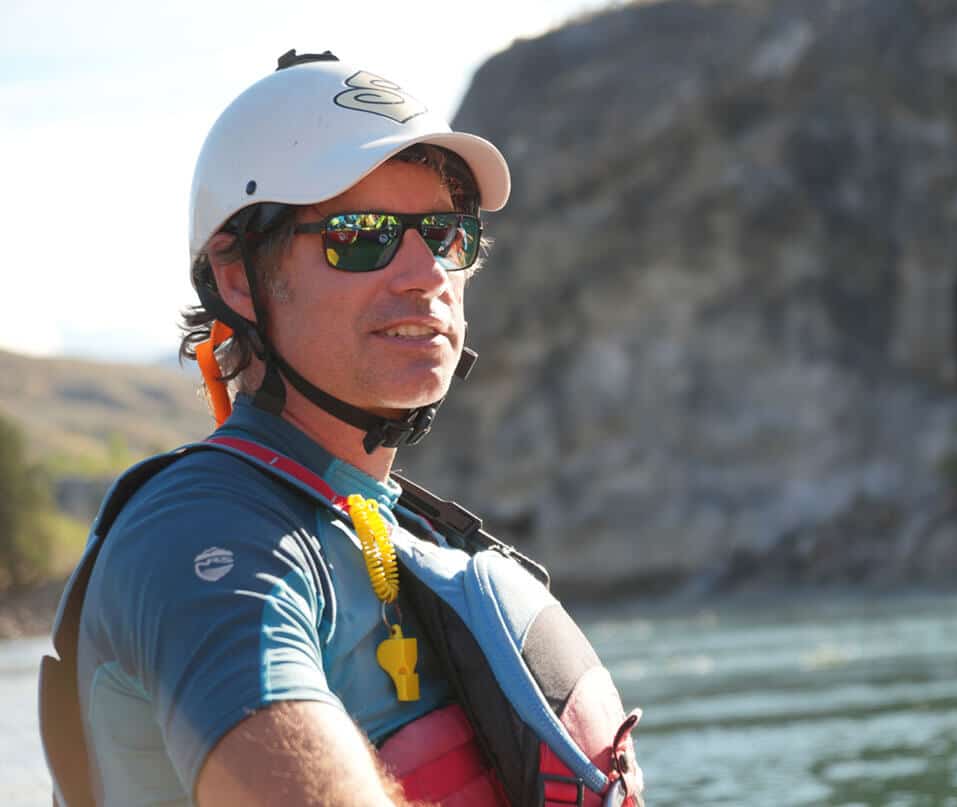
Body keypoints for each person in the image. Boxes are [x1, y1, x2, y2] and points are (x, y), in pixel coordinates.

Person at [38, 50, 643, 807]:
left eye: (447, 234)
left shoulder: (399, 529)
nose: (425, 271)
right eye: (361, 234)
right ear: (237, 278)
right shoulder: (197, 533)